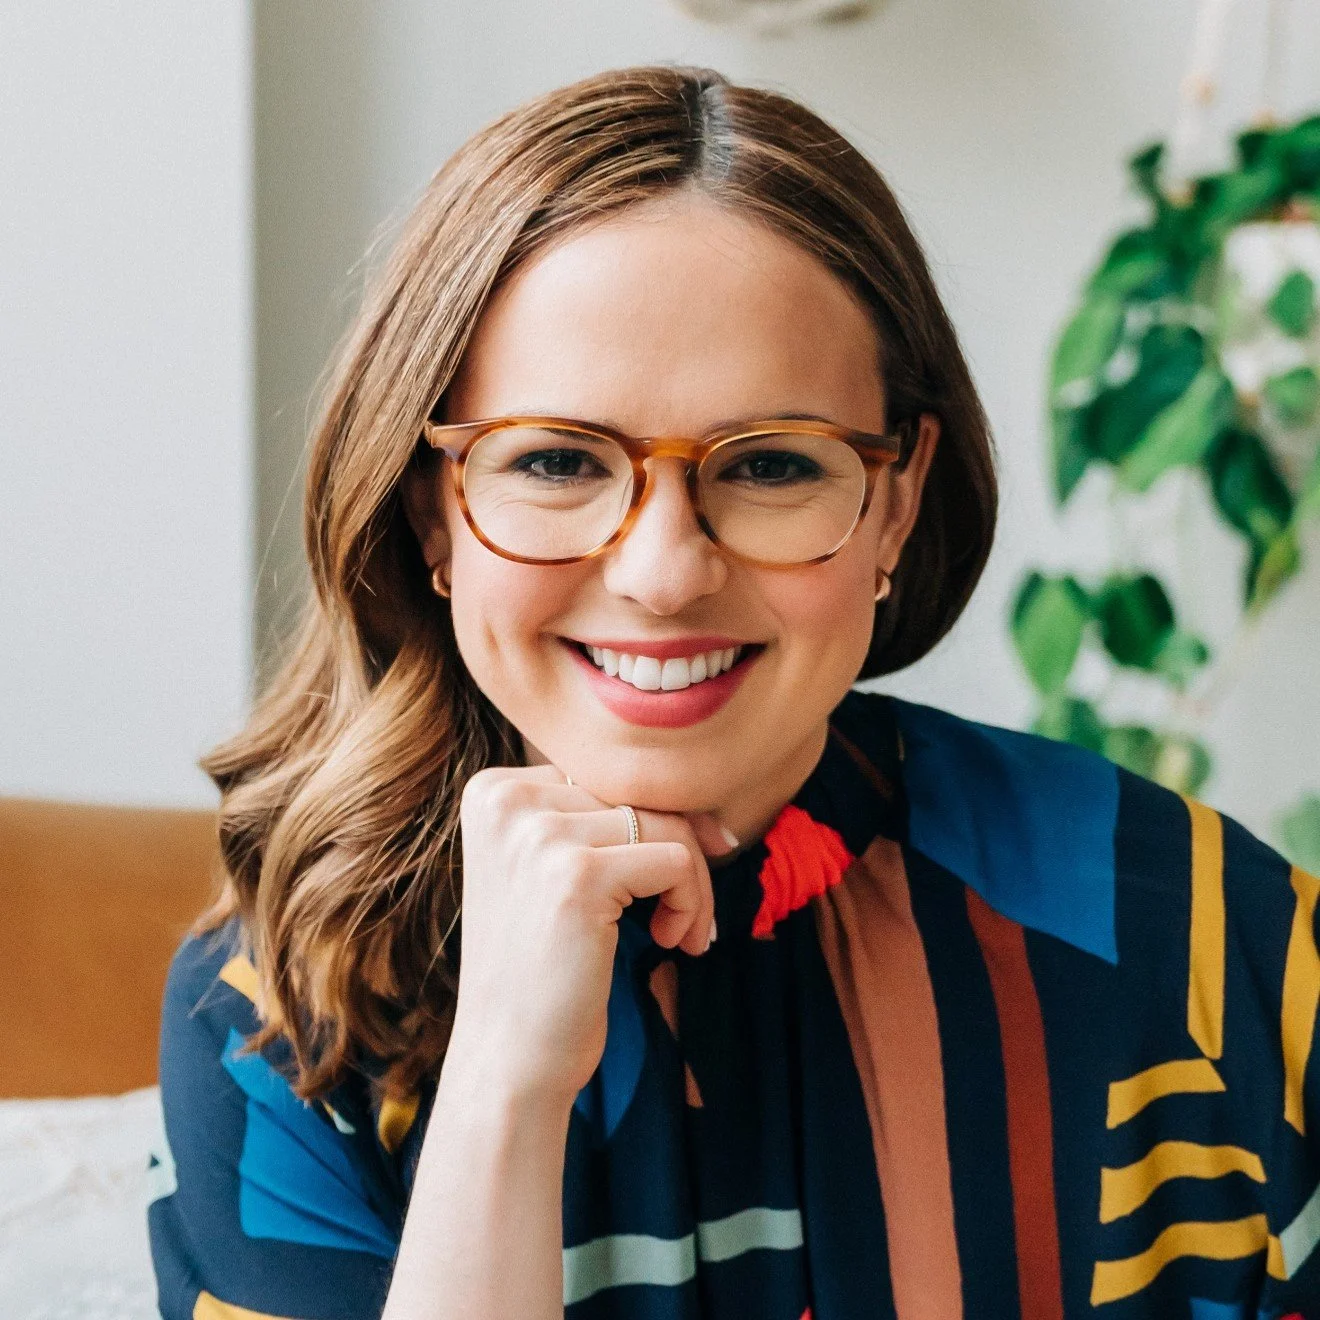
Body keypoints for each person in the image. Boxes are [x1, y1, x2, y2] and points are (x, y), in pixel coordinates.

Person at [148, 66, 1320, 1320]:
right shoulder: (283, 1018)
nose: (662, 574)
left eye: (768, 465)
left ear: (895, 505)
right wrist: (501, 1084)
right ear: (435, 511)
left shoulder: (1212, 936)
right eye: (554, 459)